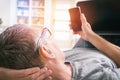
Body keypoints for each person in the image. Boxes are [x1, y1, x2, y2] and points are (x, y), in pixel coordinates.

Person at [0, 13, 120, 80]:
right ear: (46, 51)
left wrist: (4, 75)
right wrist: (92, 36)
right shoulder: (97, 76)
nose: (51, 37)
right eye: (44, 33)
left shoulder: (62, 59)